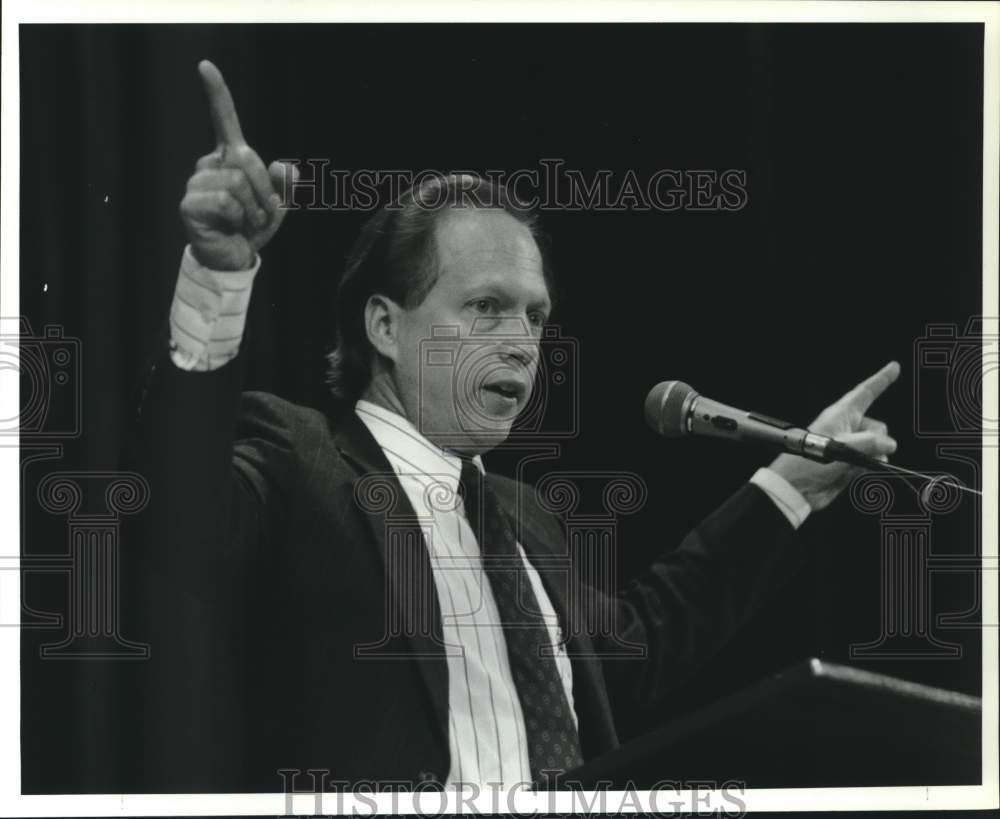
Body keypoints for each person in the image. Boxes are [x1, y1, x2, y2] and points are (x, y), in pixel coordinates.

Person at [134, 60, 900, 792]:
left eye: (534, 314)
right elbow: (179, 507)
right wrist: (221, 273)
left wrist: (791, 484)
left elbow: (637, 648)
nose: (520, 341)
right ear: (385, 326)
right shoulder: (303, 463)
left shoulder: (523, 518)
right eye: (484, 306)